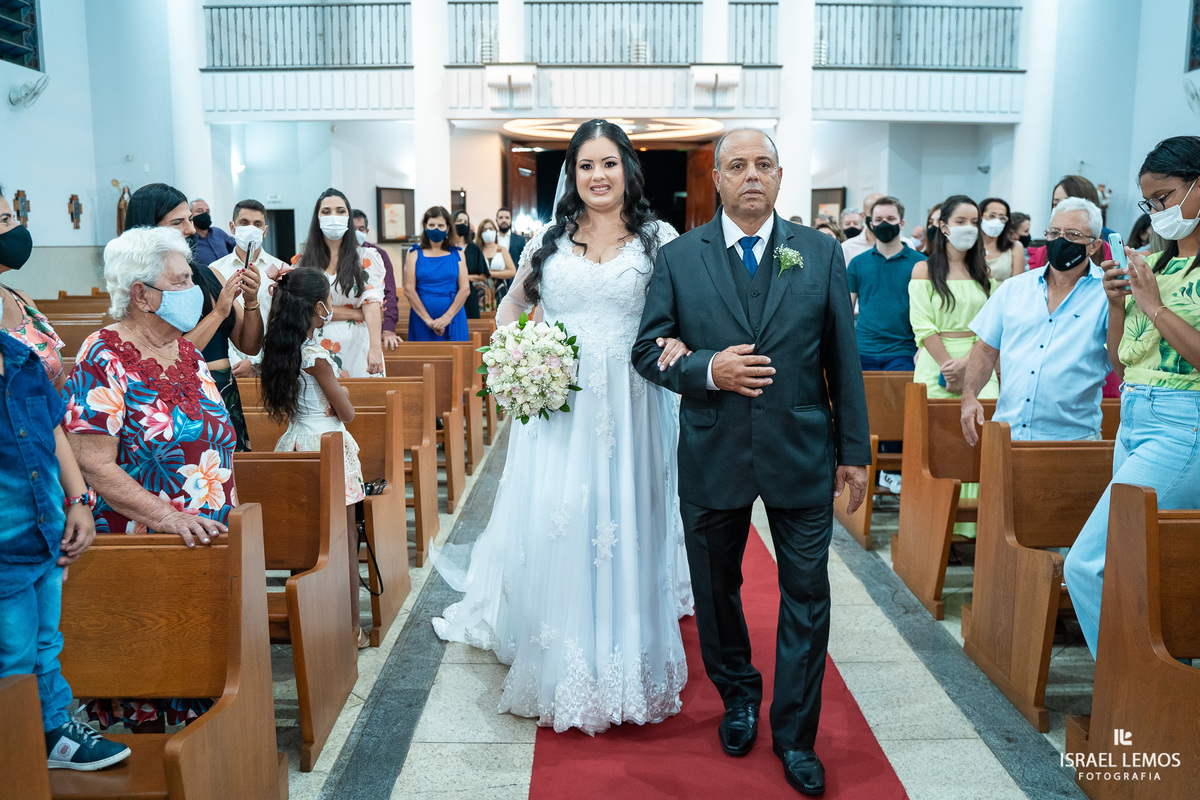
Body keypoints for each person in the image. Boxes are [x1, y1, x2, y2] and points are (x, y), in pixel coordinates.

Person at [433, 119, 692, 736]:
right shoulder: (550, 239)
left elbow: (686, 313)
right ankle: (563, 647)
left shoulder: (660, 239)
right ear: (570, 175)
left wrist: (681, 340)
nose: (597, 177)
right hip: (562, 403)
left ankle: (628, 653)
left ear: (628, 169)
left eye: (608, 164)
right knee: (565, 515)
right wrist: (525, 356)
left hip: (633, 400)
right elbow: (514, 305)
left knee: (625, 516)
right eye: (585, 166)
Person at [633, 128, 870, 797]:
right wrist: (709, 368)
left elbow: (841, 363)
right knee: (716, 592)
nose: (752, 176)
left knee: (807, 597)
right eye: (737, 166)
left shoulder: (819, 254)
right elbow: (649, 349)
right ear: (717, 179)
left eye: (764, 164)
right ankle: (738, 696)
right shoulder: (680, 259)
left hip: (801, 451)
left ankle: (796, 735)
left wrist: (853, 453)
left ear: (780, 175)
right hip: (714, 450)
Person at [63, 227, 234, 731]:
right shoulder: (105, 354)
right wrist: (166, 515)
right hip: (149, 543)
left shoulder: (188, 352)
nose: (196, 291)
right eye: (182, 281)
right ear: (142, 294)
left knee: (206, 665)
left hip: (204, 541)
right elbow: (92, 460)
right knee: (160, 667)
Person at [1065, 136, 1200, 659]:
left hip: (1183, 421)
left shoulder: (1160, 280)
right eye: (1150, 203)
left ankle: (1130, 693)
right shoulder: (1159, 265)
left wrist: (1153, 303)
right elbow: (1122, 360)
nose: (1158, 212)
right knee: (1141, 566)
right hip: (1135, 415)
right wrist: (1118, 304)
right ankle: (1160, 686)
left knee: (1089, 563)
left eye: (1165, 197)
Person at [0, 331, 132, 771]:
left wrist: (77, 499)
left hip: (44, 531)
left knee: (45, 644)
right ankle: (20, 758)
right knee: (12, 658)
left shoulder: (17, 354)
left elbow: (53, 428)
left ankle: (53, 733)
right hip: (4, 546)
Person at [258, 266, 368, 647]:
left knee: (303, 543)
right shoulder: (316, 355)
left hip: (296, 443)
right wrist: (345, 398)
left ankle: (309, 624)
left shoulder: (280, 347)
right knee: (343, 543)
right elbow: (347, 413)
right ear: (320, 307)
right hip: (328, 448)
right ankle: (351, 629)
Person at [960, 198, 1112, 446]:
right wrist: (969, 396)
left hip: (1073, 439)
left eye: (1072, 234)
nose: (1060, 240)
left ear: (1094, 245)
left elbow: (1121, 359)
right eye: (1054, 232)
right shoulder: (1014, 288)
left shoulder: (1107, 294)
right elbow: (985, 350)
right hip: (1008, 435)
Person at [125, 183, 262, 451]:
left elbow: (250, 346)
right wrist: (219, 311)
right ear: (148, 230)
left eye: (189, 219)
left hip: (222, 393)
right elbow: (167, 356)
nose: (190, 229)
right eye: (178, 222)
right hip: (175, 400)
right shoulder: (142, 292)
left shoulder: (210, 276)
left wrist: (251, 300)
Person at [910, 195, 998, 399]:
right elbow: (922, 324)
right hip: (936, 362)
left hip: (979, 360)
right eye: (960, 221)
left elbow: (991, 324)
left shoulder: (984, 272)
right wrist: (949, 370)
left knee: (986, 427)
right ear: (943, 227)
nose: (968, 227)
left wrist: (966, 364)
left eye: (974, 222)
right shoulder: (924, 270)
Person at [296, 189, 385, 377]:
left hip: (358, 343)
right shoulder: (302, 262)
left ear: (348, 216)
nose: (333, 216)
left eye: (340, 211)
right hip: (315, 346)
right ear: (318, 218)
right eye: (326, 212)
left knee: (363, 403)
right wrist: (356, 312)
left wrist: (376, 348)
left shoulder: (367, 258)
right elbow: (304, 309)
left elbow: (372, 303)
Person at [209, 199, 287, 378]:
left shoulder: (282, 270)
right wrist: (234, 362)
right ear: (232, 227)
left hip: (271, 366)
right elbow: (214, 322)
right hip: (226, 365)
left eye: (257, 224)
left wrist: (255, 363)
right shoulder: (214, 270)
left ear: (265, 231)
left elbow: (284, 323)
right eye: (244, 223)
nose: (251, 228)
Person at [848, 195, 925, 372]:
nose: (884, 224)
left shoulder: (921, 264)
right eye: (879, 220)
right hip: (862, 350)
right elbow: (846, 310)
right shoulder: (858, 263)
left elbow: (930, 310)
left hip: (904, 351)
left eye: (891, 219)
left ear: (902, 223)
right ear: (871, 224)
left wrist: (923, 347)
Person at [0, 186, 67, 389]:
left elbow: (59, 381)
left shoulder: (22, 302)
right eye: (5, 220)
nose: (17, 227)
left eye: (13, 218)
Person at [404, 206, 470, 342]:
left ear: (448, 228)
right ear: (425, 226)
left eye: (441, 225)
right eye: (432, 225)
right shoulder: (414, 254)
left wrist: (446, 318)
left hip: (453, 317)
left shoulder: (458, 254)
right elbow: (409, 289)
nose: (436, 229)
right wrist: (428, 321)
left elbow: (465, 289)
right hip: (423, 318)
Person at [1028, 176, 1115, 270]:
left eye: (1069, 202)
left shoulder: (1110, 254)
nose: (1061, 209)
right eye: (1056, 204)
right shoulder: (1042, 254)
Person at [351, 209, 401, 350]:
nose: (357, 233)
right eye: (353, 229)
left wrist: (388, 328)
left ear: (366, 231)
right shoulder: (336, 254)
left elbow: (389, 292)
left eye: (361, 229)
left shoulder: (379, 254)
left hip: (373, 319)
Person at [978, 197, 1026, 282]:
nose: (997, 221)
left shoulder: (1015, 247)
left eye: (1002, 218)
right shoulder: (969, 246)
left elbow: (1017, 283)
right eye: (992, 216)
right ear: (979, 216)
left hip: (1004, 294)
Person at [452, 209, 488, 319]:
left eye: (465, 222)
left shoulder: (473, 248)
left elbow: (483, 275)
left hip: (469, 294)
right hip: (449, 292)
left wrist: (465, 277)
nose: (462, 224)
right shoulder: (445, 248)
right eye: (459, 221)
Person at [475, 217, 517, 310]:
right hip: (480, 291)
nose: (488, 232)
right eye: (485, 229)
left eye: (491, 229)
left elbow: (512, 271)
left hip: (500, 289)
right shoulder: (477, 250)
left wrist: (490, 273)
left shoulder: (502, 250)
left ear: (495, 231)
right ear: (480, 233)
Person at [189, 198, 235, 267]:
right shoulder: (189, 240)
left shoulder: (218, 232)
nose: (204, 214)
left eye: (207, 212)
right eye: (199, 211)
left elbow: (237, 246)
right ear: (190, 215)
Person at [840, 192, 884, 264]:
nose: (882, 221)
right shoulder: (846, 247)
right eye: (876, 216)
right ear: (863, 216)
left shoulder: (903, 244)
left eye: (890, 218)